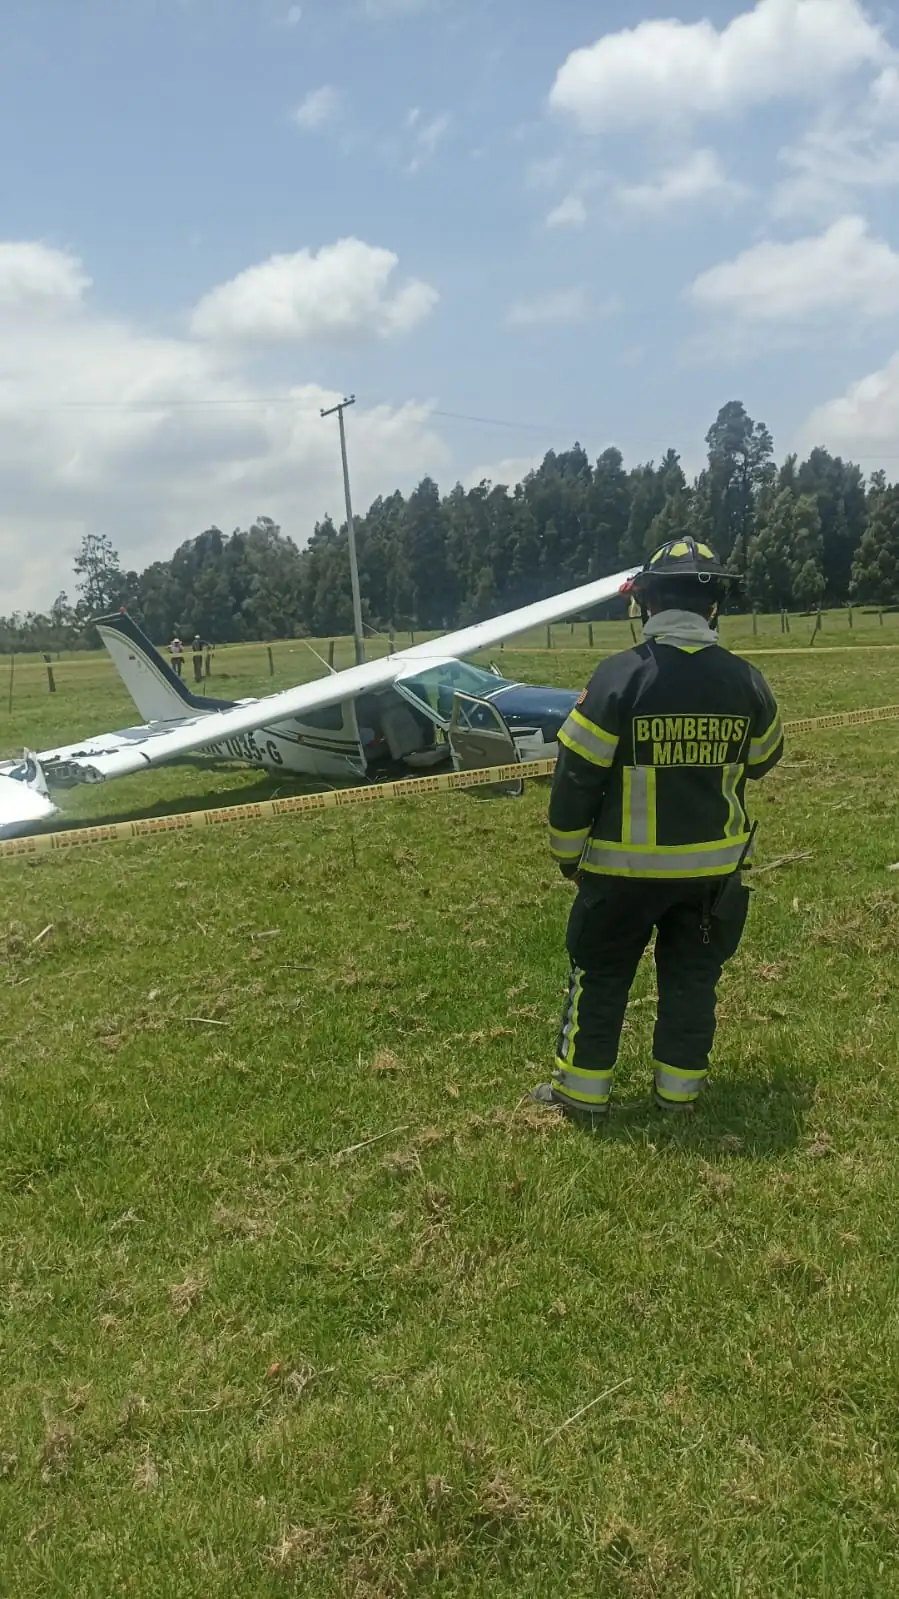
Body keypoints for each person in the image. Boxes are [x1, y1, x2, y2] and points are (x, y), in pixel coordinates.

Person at [533, 537, 783, 1126]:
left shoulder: (619, 677)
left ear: (644, 604)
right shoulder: (747, 681)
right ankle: (678, 1097)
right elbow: (765, 756)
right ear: (713, 606)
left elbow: (576, 776)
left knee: (601, 975)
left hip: (620, 875)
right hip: (711, 878)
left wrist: (568, 854)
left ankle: (583, 1095)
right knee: (692, 980)